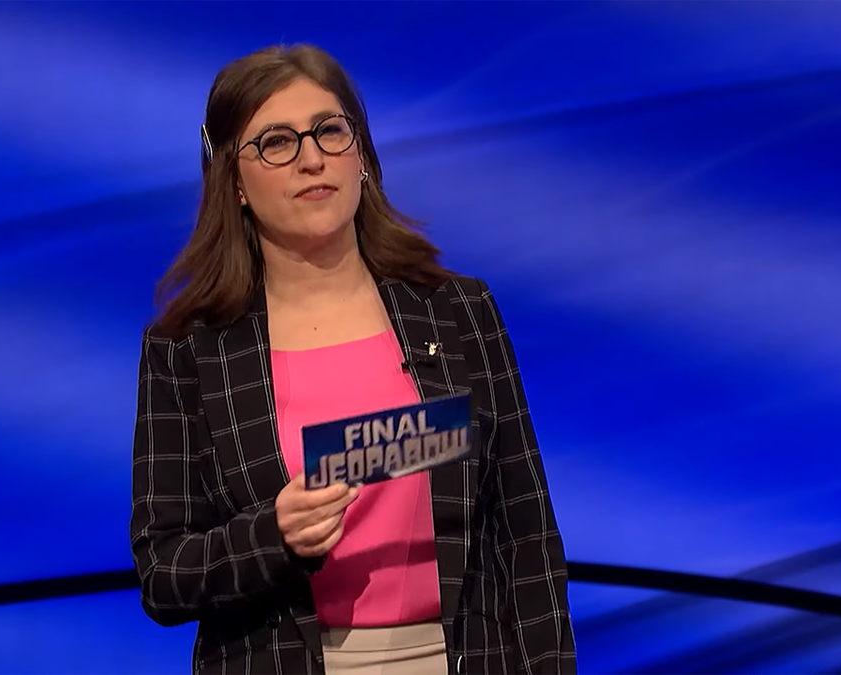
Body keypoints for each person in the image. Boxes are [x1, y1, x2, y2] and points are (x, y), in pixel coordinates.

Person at [129, 43, 575, 675]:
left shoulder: (457, 313)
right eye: (277, 143)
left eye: (329, 131)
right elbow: (163, 574)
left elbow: (525, 534)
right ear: (235, 182)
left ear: (361, 154)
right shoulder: (187, 352)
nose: (311, 159)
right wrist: (272, 536)